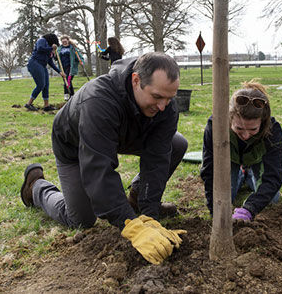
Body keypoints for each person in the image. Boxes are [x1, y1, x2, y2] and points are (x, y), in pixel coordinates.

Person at [20, 52, 188, 264]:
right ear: (136, 81)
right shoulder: (99, 100)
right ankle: (36, 187)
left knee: (176, 144)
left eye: (169, 98)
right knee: (81, 218)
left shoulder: (165, 105)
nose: (164, 106)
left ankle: (136, 199)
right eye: (156, 97)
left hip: (123, 134)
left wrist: (150, 215)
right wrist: (131, 225)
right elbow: (99, 170)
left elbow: (157, 158)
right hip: (74, 144)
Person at [200, 80, 282, 222]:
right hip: (229, 160)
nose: (245, 135)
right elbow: (209, 171)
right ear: (229, 118)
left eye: (253, 129)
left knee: (272, 199)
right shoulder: (215, 126)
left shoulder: (273, 131)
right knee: (227, 198)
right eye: (239, 128)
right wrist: (214, 210)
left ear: (262, 122)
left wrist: (250, 208)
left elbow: (274, 176)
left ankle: (248, 174)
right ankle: (241, 175)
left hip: (257, 160)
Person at [25, 33, 66, 111]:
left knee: (46, 85)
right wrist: (51, 48)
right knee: (41, 85)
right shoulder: (42, 40)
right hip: (35, 63)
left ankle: (46, 106)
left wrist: (60, 72)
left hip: (43, 66)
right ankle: (28, 104)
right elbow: (40, 48)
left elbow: (50, 63)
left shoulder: (50, 51)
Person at [56, 35, 84, 101]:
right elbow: (56, 58)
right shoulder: (59, 49)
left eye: (65, 41)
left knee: (68, 80)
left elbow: (79, 57)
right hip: (62, 68)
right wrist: (54, 54)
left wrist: (81, 61)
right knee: (66, 81)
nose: (64, 43)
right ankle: (72, 95)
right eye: (63, 42)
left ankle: (67, 94)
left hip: (71, 67)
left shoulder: (73, 48)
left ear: (68, 41)